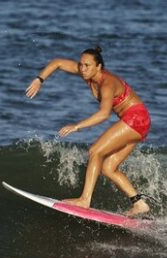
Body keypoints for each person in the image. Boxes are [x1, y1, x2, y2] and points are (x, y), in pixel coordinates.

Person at [25, 46, 151, 216]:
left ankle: (85, 199)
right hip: (137, 121)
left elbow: (104, 114)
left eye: (87, 66)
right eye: (81, 65)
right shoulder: (88, 74)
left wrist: (77, 126)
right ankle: (139, 203)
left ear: (99, 67)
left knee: (95, 151)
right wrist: (40, 79)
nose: (82, 69)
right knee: (108, 168)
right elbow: (58, 63)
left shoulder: (107, 83)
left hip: (135, 119)